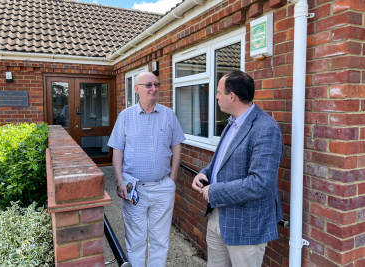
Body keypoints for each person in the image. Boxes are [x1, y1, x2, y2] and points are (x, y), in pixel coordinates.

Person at [192, 70, 284, 267]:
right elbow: (221, 159)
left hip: (246, 226)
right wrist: (204, 173)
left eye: (218, 92)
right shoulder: (232, 122)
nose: (216, 96)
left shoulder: (266, 128)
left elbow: (260, 184)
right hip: (218, 215)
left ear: (231, 96)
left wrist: (214, 191)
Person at [108, 72, 185, 267]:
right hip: (134, 188)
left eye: (156, 85)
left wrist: (172, 179)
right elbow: (117, 150)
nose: (154, 89)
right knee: (135, 239)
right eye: (149, 85)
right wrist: (119, 182)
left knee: (160, 239)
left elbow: (177, 146)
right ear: (137, 89)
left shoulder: (168, 114)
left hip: (162, 187)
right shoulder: (125, 116)